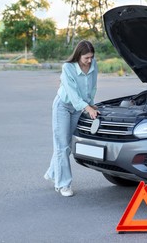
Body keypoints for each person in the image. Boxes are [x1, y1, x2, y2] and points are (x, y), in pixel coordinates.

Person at [44, 40, 100, 197]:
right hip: (63, 106)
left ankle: (53, 172)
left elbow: (92, 86)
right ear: (78, 55)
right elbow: (73, 93)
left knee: (67, 145)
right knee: (62, 146)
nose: (89, 61)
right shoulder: (68, 67)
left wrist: (91, 103)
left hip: (78, 107)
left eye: (91, 57)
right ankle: (63, 185)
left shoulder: (93, 64)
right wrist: (87, 107)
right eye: (86, 58)